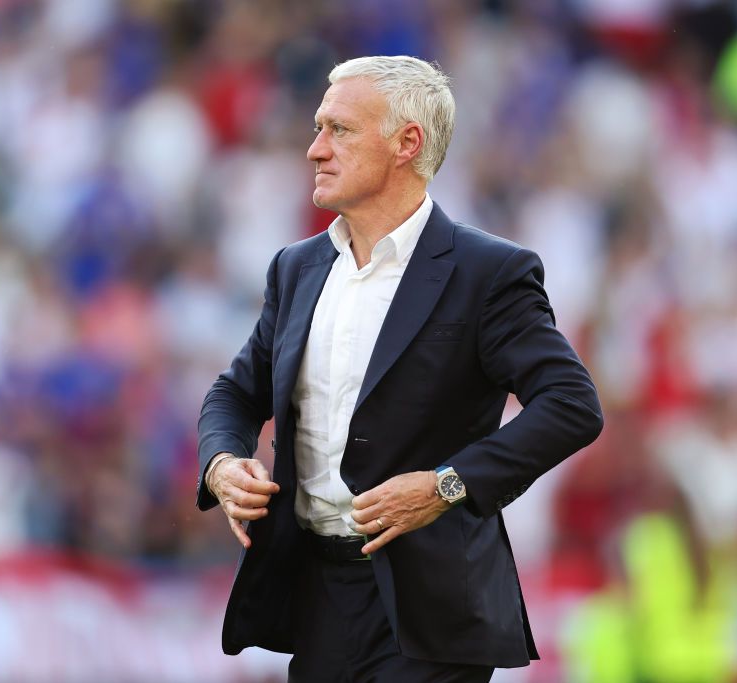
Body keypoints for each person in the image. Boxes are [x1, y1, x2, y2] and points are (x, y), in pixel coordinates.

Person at [196, 55, 603, 682]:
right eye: (318, 127)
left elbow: (571, 404)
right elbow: (234, 394)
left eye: (340, 130)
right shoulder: (296, 268)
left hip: (433, 604)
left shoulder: (487, 272)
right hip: (318, 592)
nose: (315, 149)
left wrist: (447, 484)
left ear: (406, 144)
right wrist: (223, 464)